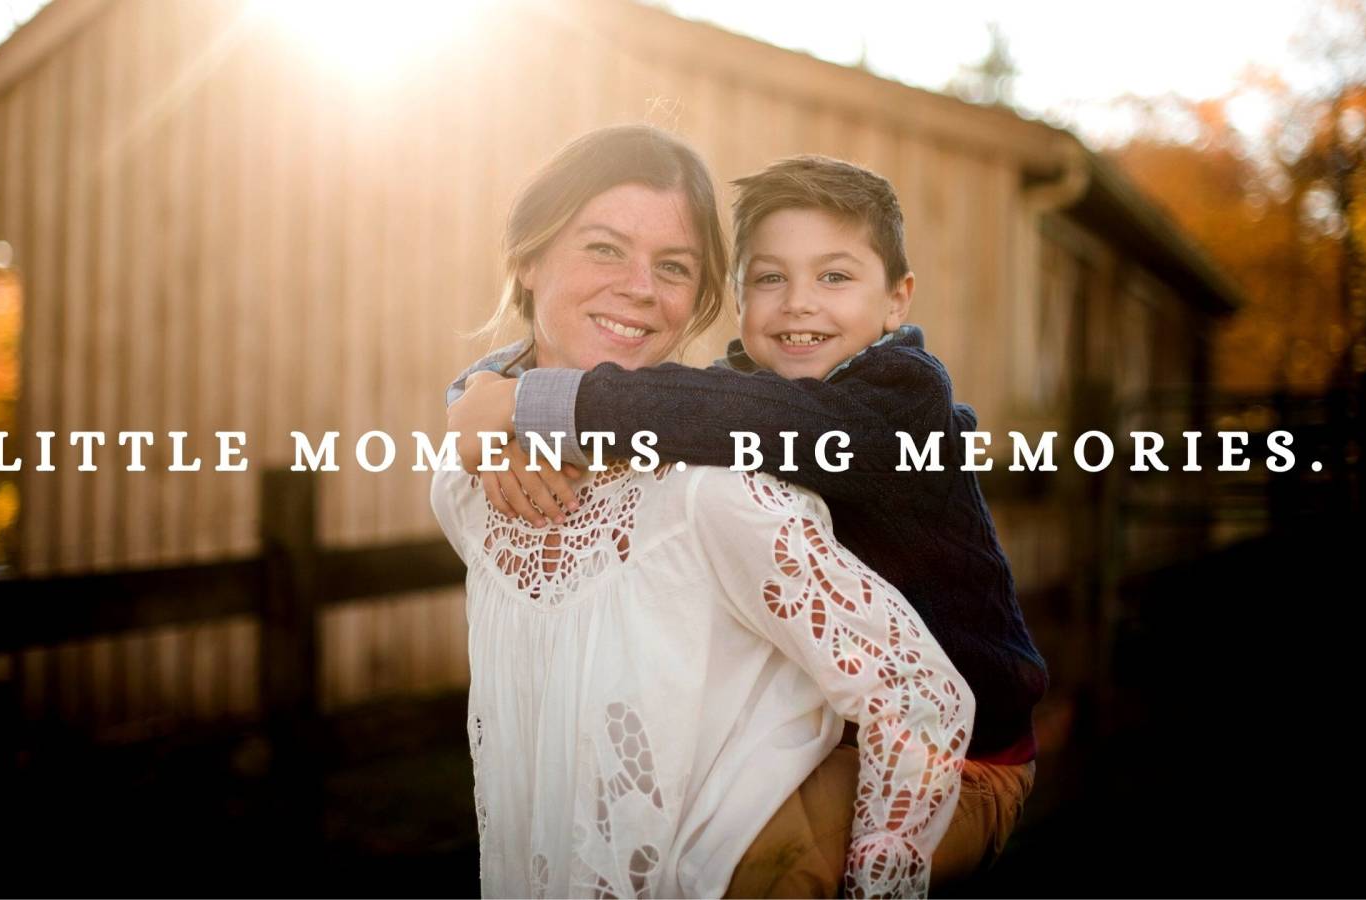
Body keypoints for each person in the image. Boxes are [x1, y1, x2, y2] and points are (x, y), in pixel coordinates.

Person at [448, 154, 1047, 885]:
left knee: (756, 873)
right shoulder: (744, 397)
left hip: (963, 752)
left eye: (834, 276)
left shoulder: (902, 397)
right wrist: (478, 398)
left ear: (897, 302)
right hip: (844, 724)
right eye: (770, 278)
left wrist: (523, 404)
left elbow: (741, 418)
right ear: (736, 297)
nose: (799, 303)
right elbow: (689, 406)